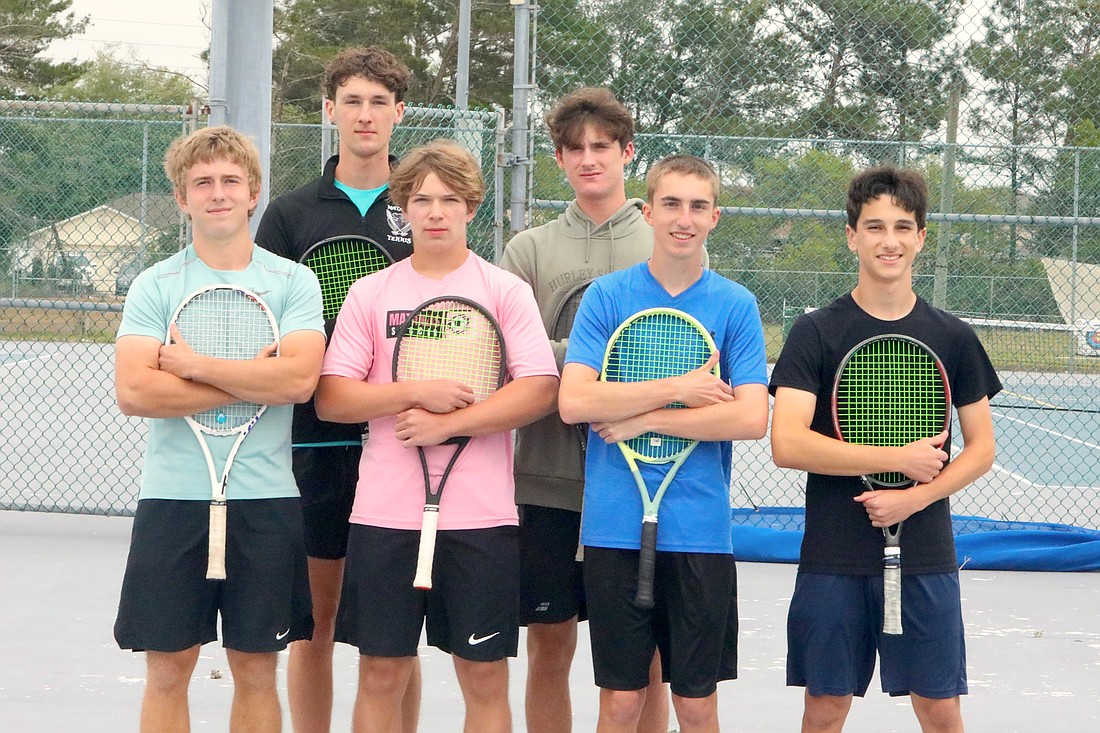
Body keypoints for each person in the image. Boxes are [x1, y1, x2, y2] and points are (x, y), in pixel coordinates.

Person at [315, 139, 559, 733]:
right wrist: (413, 393)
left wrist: (450, 424)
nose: (436, 212)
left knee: (484, 678)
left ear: (471, 207)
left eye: (450, 200)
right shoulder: (371, 293)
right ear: (404, 208)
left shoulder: (504, 290)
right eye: (422, 200)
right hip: (385, 515)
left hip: (480, 518)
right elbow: (332, 398)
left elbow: (538, 389)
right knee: (381, 674)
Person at [769, 166, 1001, 733]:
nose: (888, 240)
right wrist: (894, 460)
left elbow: (982, 449)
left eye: (902, 227)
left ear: (921, 237)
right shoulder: (815, 332)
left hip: (925, 554)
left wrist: (913, 499)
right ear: (852, 236)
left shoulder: (953, 336)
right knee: (825, 709)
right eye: (874, 227)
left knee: (940, 709)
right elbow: (787, 443)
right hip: (833, 555)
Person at [113, 125, 326, 732]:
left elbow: (298, 381)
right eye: (202, 182)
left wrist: (193, 366)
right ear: (182, 198)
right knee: (168, 668)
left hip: (266, 500)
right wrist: (253, 377)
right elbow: (136, 391)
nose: (218, 193)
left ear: (253, 192)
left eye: (231, 180)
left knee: (256, 669)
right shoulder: (155, 285)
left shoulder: (293, 282)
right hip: (172, 498)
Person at [500, 86, 690, 733]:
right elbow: (514, 354)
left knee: (647, 659)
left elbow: (680, 357)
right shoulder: (529, 249)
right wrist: (611, 366)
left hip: (646, 480)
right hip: (548, 481)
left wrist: (579, 370)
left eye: (602, 147)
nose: (589, 159)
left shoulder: (667, 243)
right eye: (575, 148)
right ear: (557, 158)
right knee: (549, 644)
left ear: (627, 152)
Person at [558, 155, 769, 733]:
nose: (684, 218)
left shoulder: (735, 305)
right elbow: (574, 402)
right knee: (621, 703)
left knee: (696, 706)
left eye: (698, 206)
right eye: (671, 204)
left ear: (714, 217)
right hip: (614, 527)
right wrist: (679, 391)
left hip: (700, 529)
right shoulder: (607, 297)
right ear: (647, 212)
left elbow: (751, 417)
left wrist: (639, 419)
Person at [254, 45, 421, 733]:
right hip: (314, 443)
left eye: (379, 102)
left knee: (396, 635)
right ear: (329, 110)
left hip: (402, 442)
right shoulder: (290, 214)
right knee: (315, 624)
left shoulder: (424, 207)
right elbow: (267, 324)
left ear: (399, 112)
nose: (365, 114)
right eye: (352, 101)